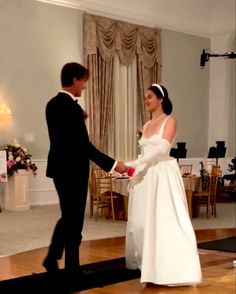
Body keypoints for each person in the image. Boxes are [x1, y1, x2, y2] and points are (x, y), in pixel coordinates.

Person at [43, 62, 128, 276]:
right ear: (74, 80)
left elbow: (64, 135)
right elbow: (83, 145)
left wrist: (80, 117)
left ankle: (53, 258)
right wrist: (113, 164)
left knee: (68, 216)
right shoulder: (72, 108)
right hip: (73, 170)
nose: (84, 86)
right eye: (83, 82)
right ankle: (72, 269)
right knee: (75, 220)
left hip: (58, 168)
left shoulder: (52, 104)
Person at [125, 83, 202, 286]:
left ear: (160, 99)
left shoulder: (170, 120)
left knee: (165, 219)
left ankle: (170, 267)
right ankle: (148, 264)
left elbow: (160, 150)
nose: (146, 101)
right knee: (142, 221)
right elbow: (145, 153)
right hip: (146, 175)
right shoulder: (146, 125)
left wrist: (134, 164)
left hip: (162, 173)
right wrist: (136, 169)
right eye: (145, 97)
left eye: (149, 97)